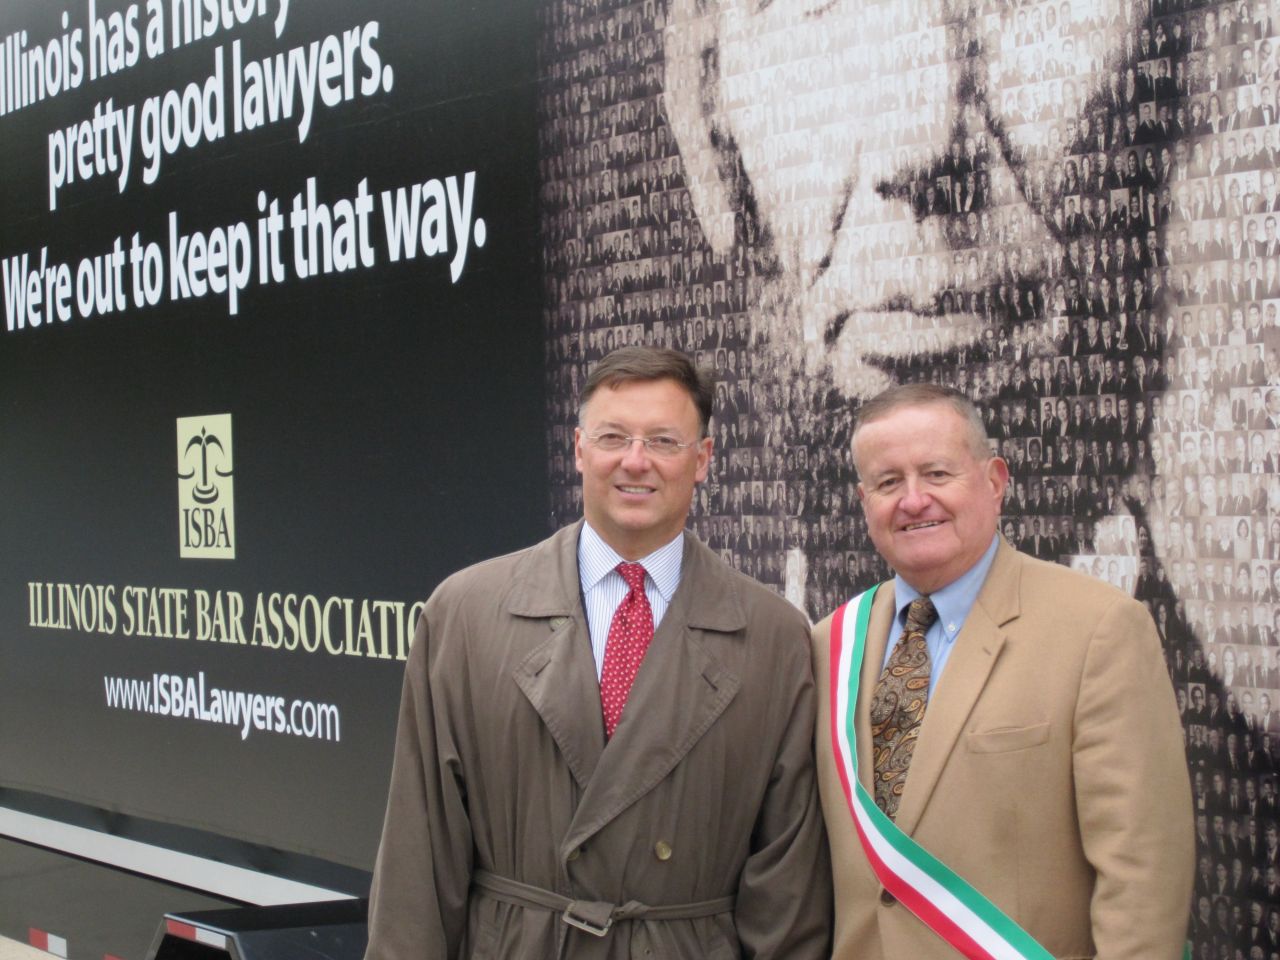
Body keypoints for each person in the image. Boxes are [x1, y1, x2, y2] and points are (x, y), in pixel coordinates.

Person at [365, 346, 831, 959]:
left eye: (664, 441)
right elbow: (419, 863)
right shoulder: (465, 615)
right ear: (579, 448)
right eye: (614, 437)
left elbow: (788, 891)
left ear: (703, 459)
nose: (635, 462)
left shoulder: (775, 637)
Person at [811, 384, 1193, 957]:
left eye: (937, 474)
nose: (914, 500)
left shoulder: (1099, 629)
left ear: (994, 481)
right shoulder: (828, 645)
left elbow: (1142, 872)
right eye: (888, 483)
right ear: (865, 502)